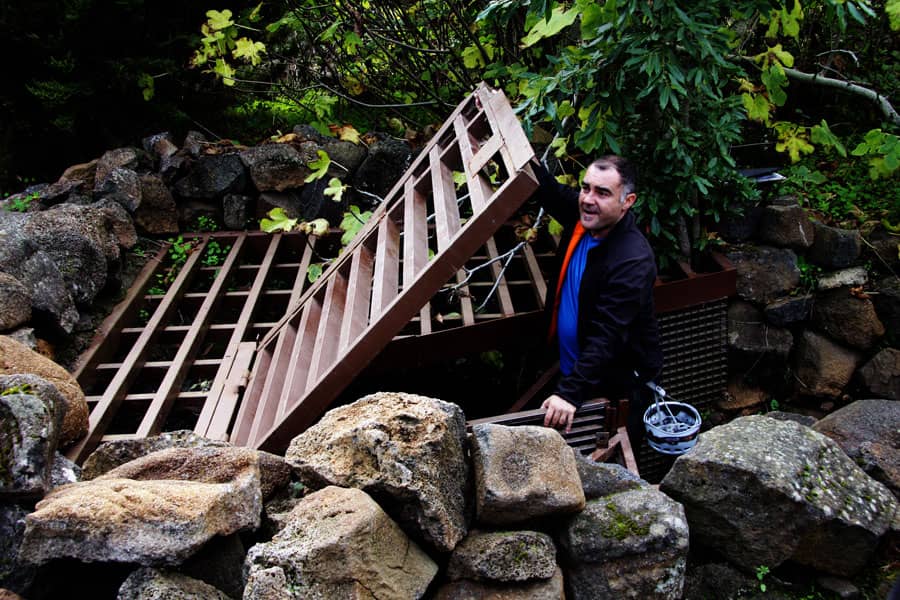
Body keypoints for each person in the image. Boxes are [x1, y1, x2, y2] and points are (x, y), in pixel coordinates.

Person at [530, 155, 663, 435]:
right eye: (585, 187)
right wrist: (488, 140)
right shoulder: (585, 218)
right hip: (572, 368)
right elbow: (547, 189)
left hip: (610, 387)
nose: (588, 199)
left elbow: (609, 335)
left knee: (608, 457)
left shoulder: (632, 260)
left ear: (628, 201)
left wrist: (569, 393)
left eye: (603, 193)